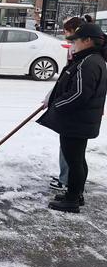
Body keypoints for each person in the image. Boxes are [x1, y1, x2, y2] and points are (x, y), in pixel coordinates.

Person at [38, 23, 107, 213]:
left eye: (76, 40)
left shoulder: (89, 62)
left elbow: (79, 94)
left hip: (76, 121)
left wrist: (56, 105)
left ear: (88, 41)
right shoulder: (93, 59)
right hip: (80, 121)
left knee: (74, 160)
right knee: (77, 159)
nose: (73, 44)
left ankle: (72, 200)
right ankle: (76, 193)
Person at [45, 16, 85, 193]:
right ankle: (68, 179)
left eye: (67, 31)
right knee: (71, 150)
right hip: (72, 109)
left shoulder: (85, 58)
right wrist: (52, 95)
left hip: (74, 112)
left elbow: (77, 88)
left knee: (71, 151)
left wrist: (58, 103)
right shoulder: (77, 52)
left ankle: (67, 182)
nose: (64, 34)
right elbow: (65, 78)